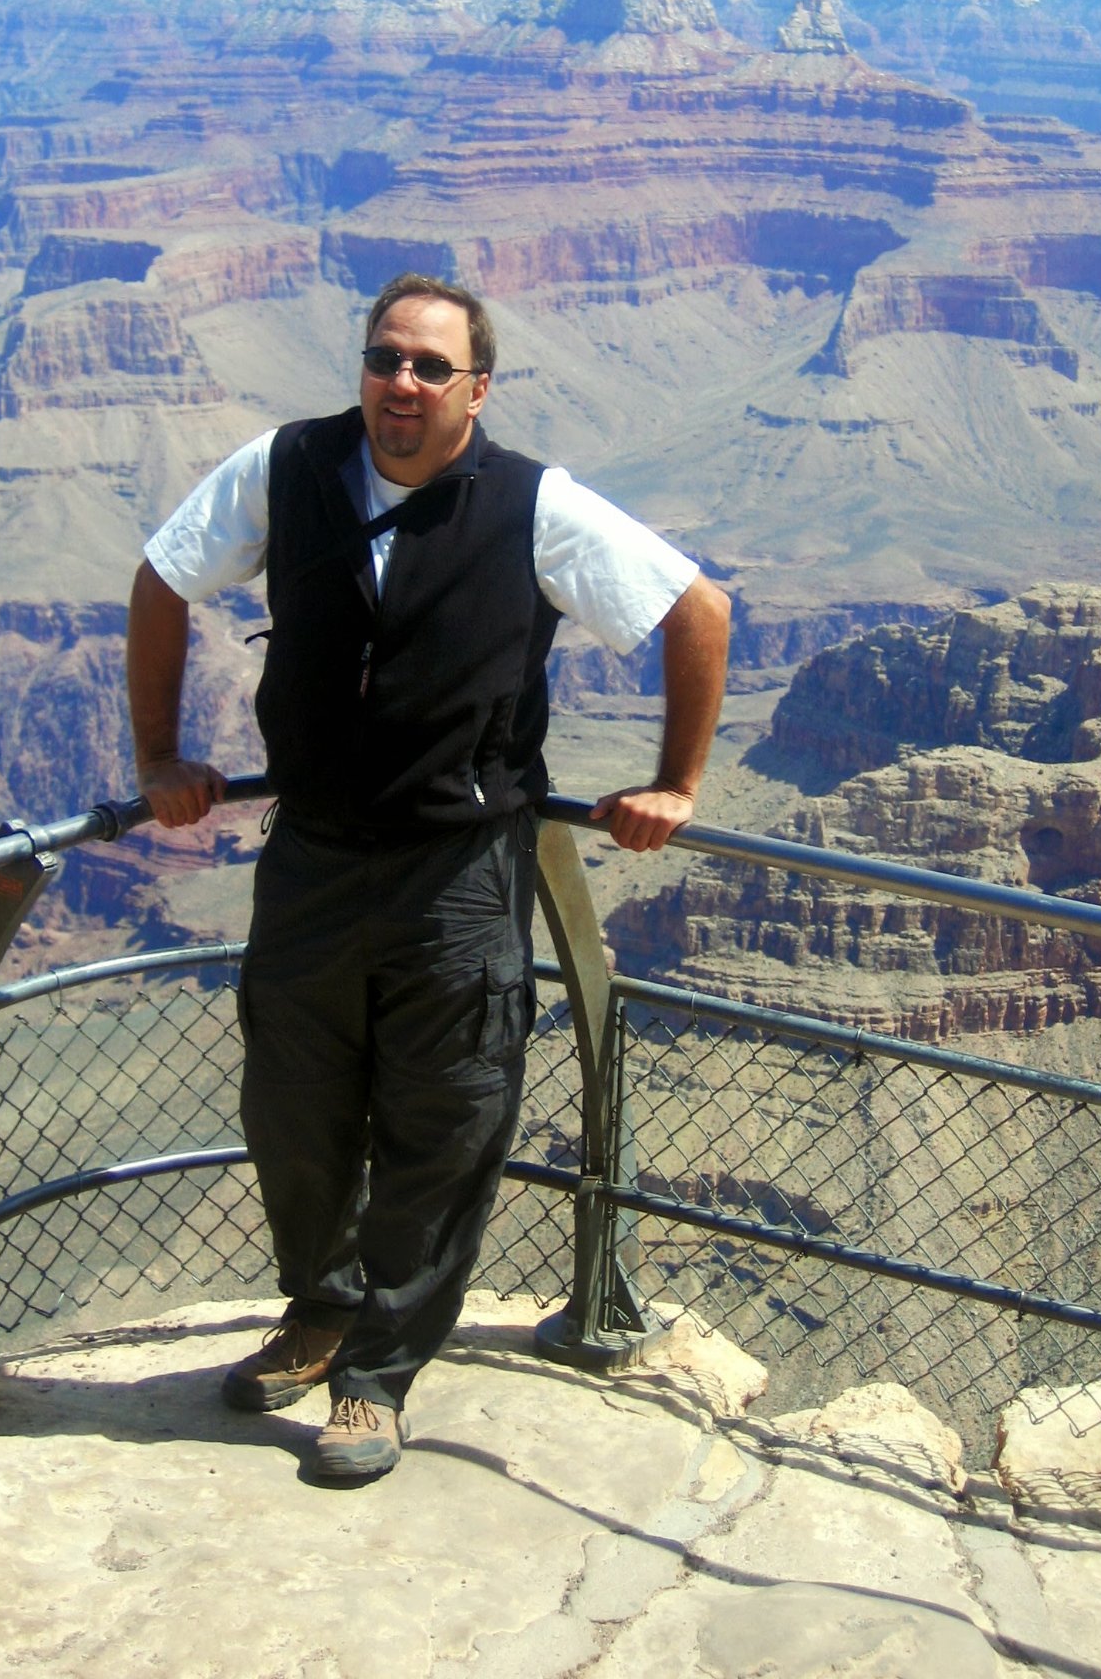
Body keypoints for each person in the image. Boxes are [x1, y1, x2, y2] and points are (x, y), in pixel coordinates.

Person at [126, 273, 730, 1484]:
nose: (400, 383)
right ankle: (323, 1303)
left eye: (428, 367)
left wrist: (678, 781)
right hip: (310, 854)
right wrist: (156, 756)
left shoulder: (531, 505)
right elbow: (160, 579)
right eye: (383, 357)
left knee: (441, 1121)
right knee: (292, 1105)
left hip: (457, 870)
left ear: (477, 388)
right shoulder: (285, 467)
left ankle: (376, 1377)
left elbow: (695, 607)